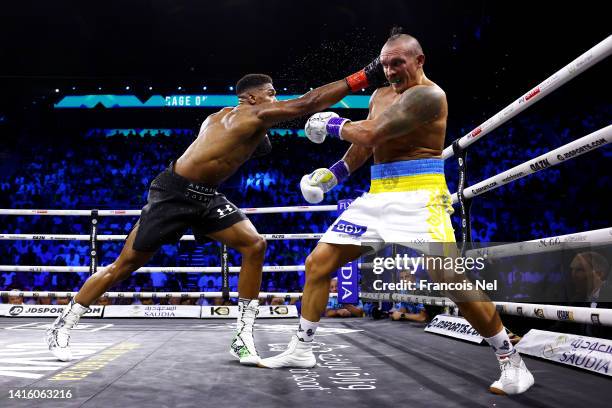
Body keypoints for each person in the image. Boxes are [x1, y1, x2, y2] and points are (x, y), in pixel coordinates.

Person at [45, 60, 387, 365]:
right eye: (271, 94)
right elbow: (307, 103)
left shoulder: (220, 117)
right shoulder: (252, 113)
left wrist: (261, 135)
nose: (275, 99)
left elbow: (232, 148)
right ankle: (64, 325)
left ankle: (243, 336)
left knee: (255, 245)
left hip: (205, 195)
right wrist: (365, 75)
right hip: (173, 194)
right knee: (126, 264)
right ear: (252, 97)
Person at [260, 28, 534, 395]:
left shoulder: (429, 96)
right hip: (377, 196)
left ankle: (510, 360)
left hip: (421, 195)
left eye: (397, 63)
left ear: (419, 60)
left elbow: (372, 133)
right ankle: (302, 348)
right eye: (386, 65)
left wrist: (333, 123)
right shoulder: (379, 94)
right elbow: (366, 147)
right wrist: (332, 176)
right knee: (317, 264)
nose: (389, 71)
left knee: (448, 279)